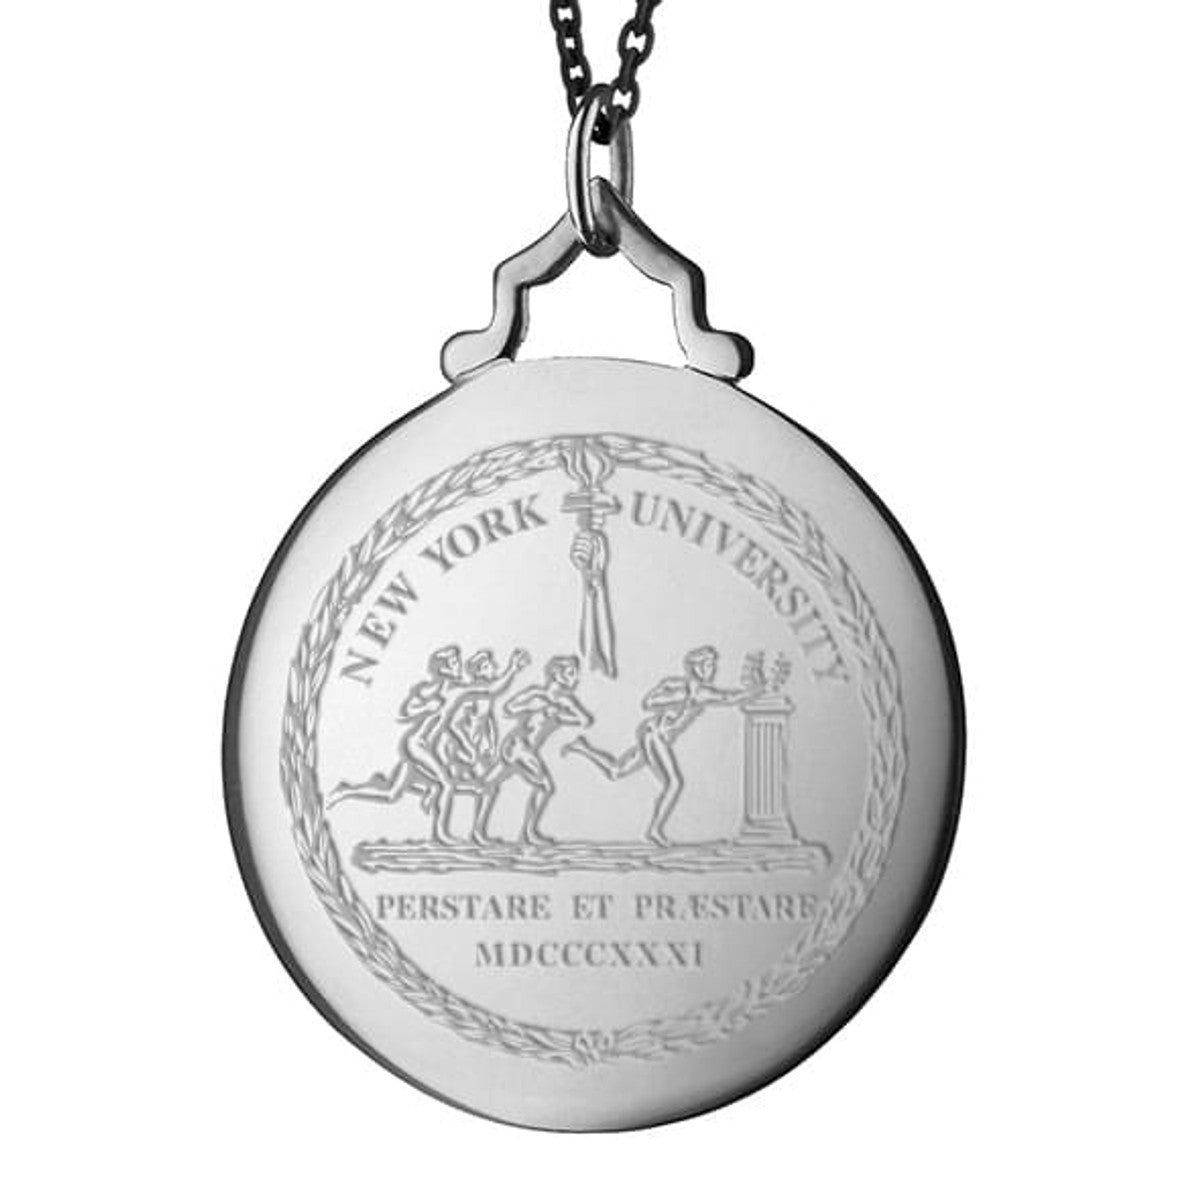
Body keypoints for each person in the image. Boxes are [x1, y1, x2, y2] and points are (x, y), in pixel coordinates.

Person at [564, 646, 759, 845]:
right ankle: (655, 830)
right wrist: (680, 697)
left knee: (616, 771)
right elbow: (649, 702)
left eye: (713, 664)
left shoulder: (697, 690)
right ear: (696, 667)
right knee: (674, 783)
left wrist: (752, 691)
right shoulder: (688, 690)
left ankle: (582, 747)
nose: (713, 669)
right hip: (654, 736)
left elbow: (728, 697)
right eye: (708, 665)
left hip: (653, 735)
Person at [472, 654, 593, 845]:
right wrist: (533, 707)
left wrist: (559, 715)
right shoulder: (536, 694)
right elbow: (508, 708)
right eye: (571, 673)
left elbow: (585, 720)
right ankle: (529, 833)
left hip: (525, 749)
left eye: (575, 673)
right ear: (557, 674)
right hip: (518, 746)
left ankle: (479, 832)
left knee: (488, 784)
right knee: (545, 787)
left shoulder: (566, 702)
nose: (576, 678)